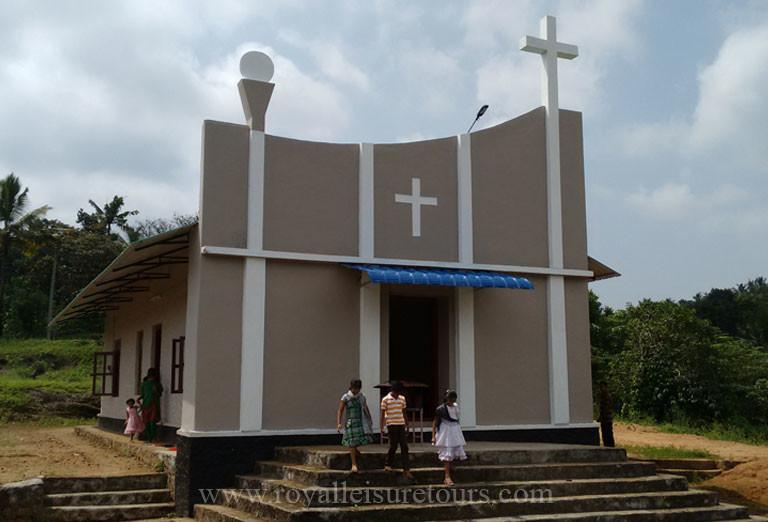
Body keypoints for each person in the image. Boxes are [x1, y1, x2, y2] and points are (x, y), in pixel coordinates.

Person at [337, 378, 374, 473]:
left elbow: (365, 407)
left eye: (357, 389)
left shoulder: (361, 397)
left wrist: (369, 419)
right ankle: (354, 464)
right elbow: (340, 410)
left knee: (360, 439)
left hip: (359, 421)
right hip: (350, 422)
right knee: (352, 442)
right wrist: (339, 423)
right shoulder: (345, 397)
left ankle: (355, 451)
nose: (355, 391)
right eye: (354, 388)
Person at [431, 390, 467, 486]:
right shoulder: (441, 409)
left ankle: (451, 469)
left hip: (455, 429)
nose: (452, 402)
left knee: (455, 451)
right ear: (447, 399)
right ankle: (447, 476)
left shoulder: (455, 407)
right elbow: (435, 422)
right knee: (447, 452)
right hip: (446, 430)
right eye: (451, 400)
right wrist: (433, 436)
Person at [380, 381, 412, 479]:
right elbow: (382, 414)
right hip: (391, 424)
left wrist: (407, 425)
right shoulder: (385, 399)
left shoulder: (402, 399)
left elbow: (404, 412)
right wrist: (381, 426)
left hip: (400, 423)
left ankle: (406, 468)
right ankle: (388, 464)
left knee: (404, 446)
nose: (398, 394)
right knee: (393, 445)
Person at [139, 368, 164, 443]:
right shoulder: (146, 384)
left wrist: (155, 391)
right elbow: (143, 395)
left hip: (152, 404)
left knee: (151, 421)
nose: (152, 378)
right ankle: (150, 437)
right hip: (148, 404)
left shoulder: (156, 383)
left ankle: (152, 437)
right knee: (147, 421)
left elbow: (159, 394)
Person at [598, 381, 615, 447]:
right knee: (606, 434)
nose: (601, 388)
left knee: (607, 434)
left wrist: (601, 417)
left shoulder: (606, 396)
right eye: (601, 387)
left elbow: (606, 407)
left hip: (606, 418)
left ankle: (610, 446)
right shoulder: (603, 395)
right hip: (605, 418)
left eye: (603, 387)